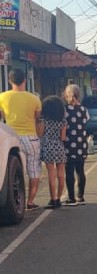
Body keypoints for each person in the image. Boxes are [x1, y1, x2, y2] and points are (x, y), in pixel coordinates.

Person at [0, 68, 43, 210]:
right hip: (30, 138)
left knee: (11, 170)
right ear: (25, 80)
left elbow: (2, 118)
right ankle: (30, 202)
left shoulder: (2, 97)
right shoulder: (34, 99)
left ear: (10, 81)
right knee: (34, 170)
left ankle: (15, 200)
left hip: (11, 138)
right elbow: (38, 120)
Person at [63, 84, 90, 206]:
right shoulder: (84, 110)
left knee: (69, 171)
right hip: (81, 144)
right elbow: (86, 122)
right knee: (80, 170)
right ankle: (81, 196)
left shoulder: (65, 110)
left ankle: (71, 198)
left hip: (68, 144)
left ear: (66, 95)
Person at [39, 95, 67, 209]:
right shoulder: (63, 121)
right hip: (59, 147)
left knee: (51, 174)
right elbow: (63, 137)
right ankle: (59, 198)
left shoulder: (44, 121)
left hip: (47, 147)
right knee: (61, 174)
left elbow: (40, 134)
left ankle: (53, 199)